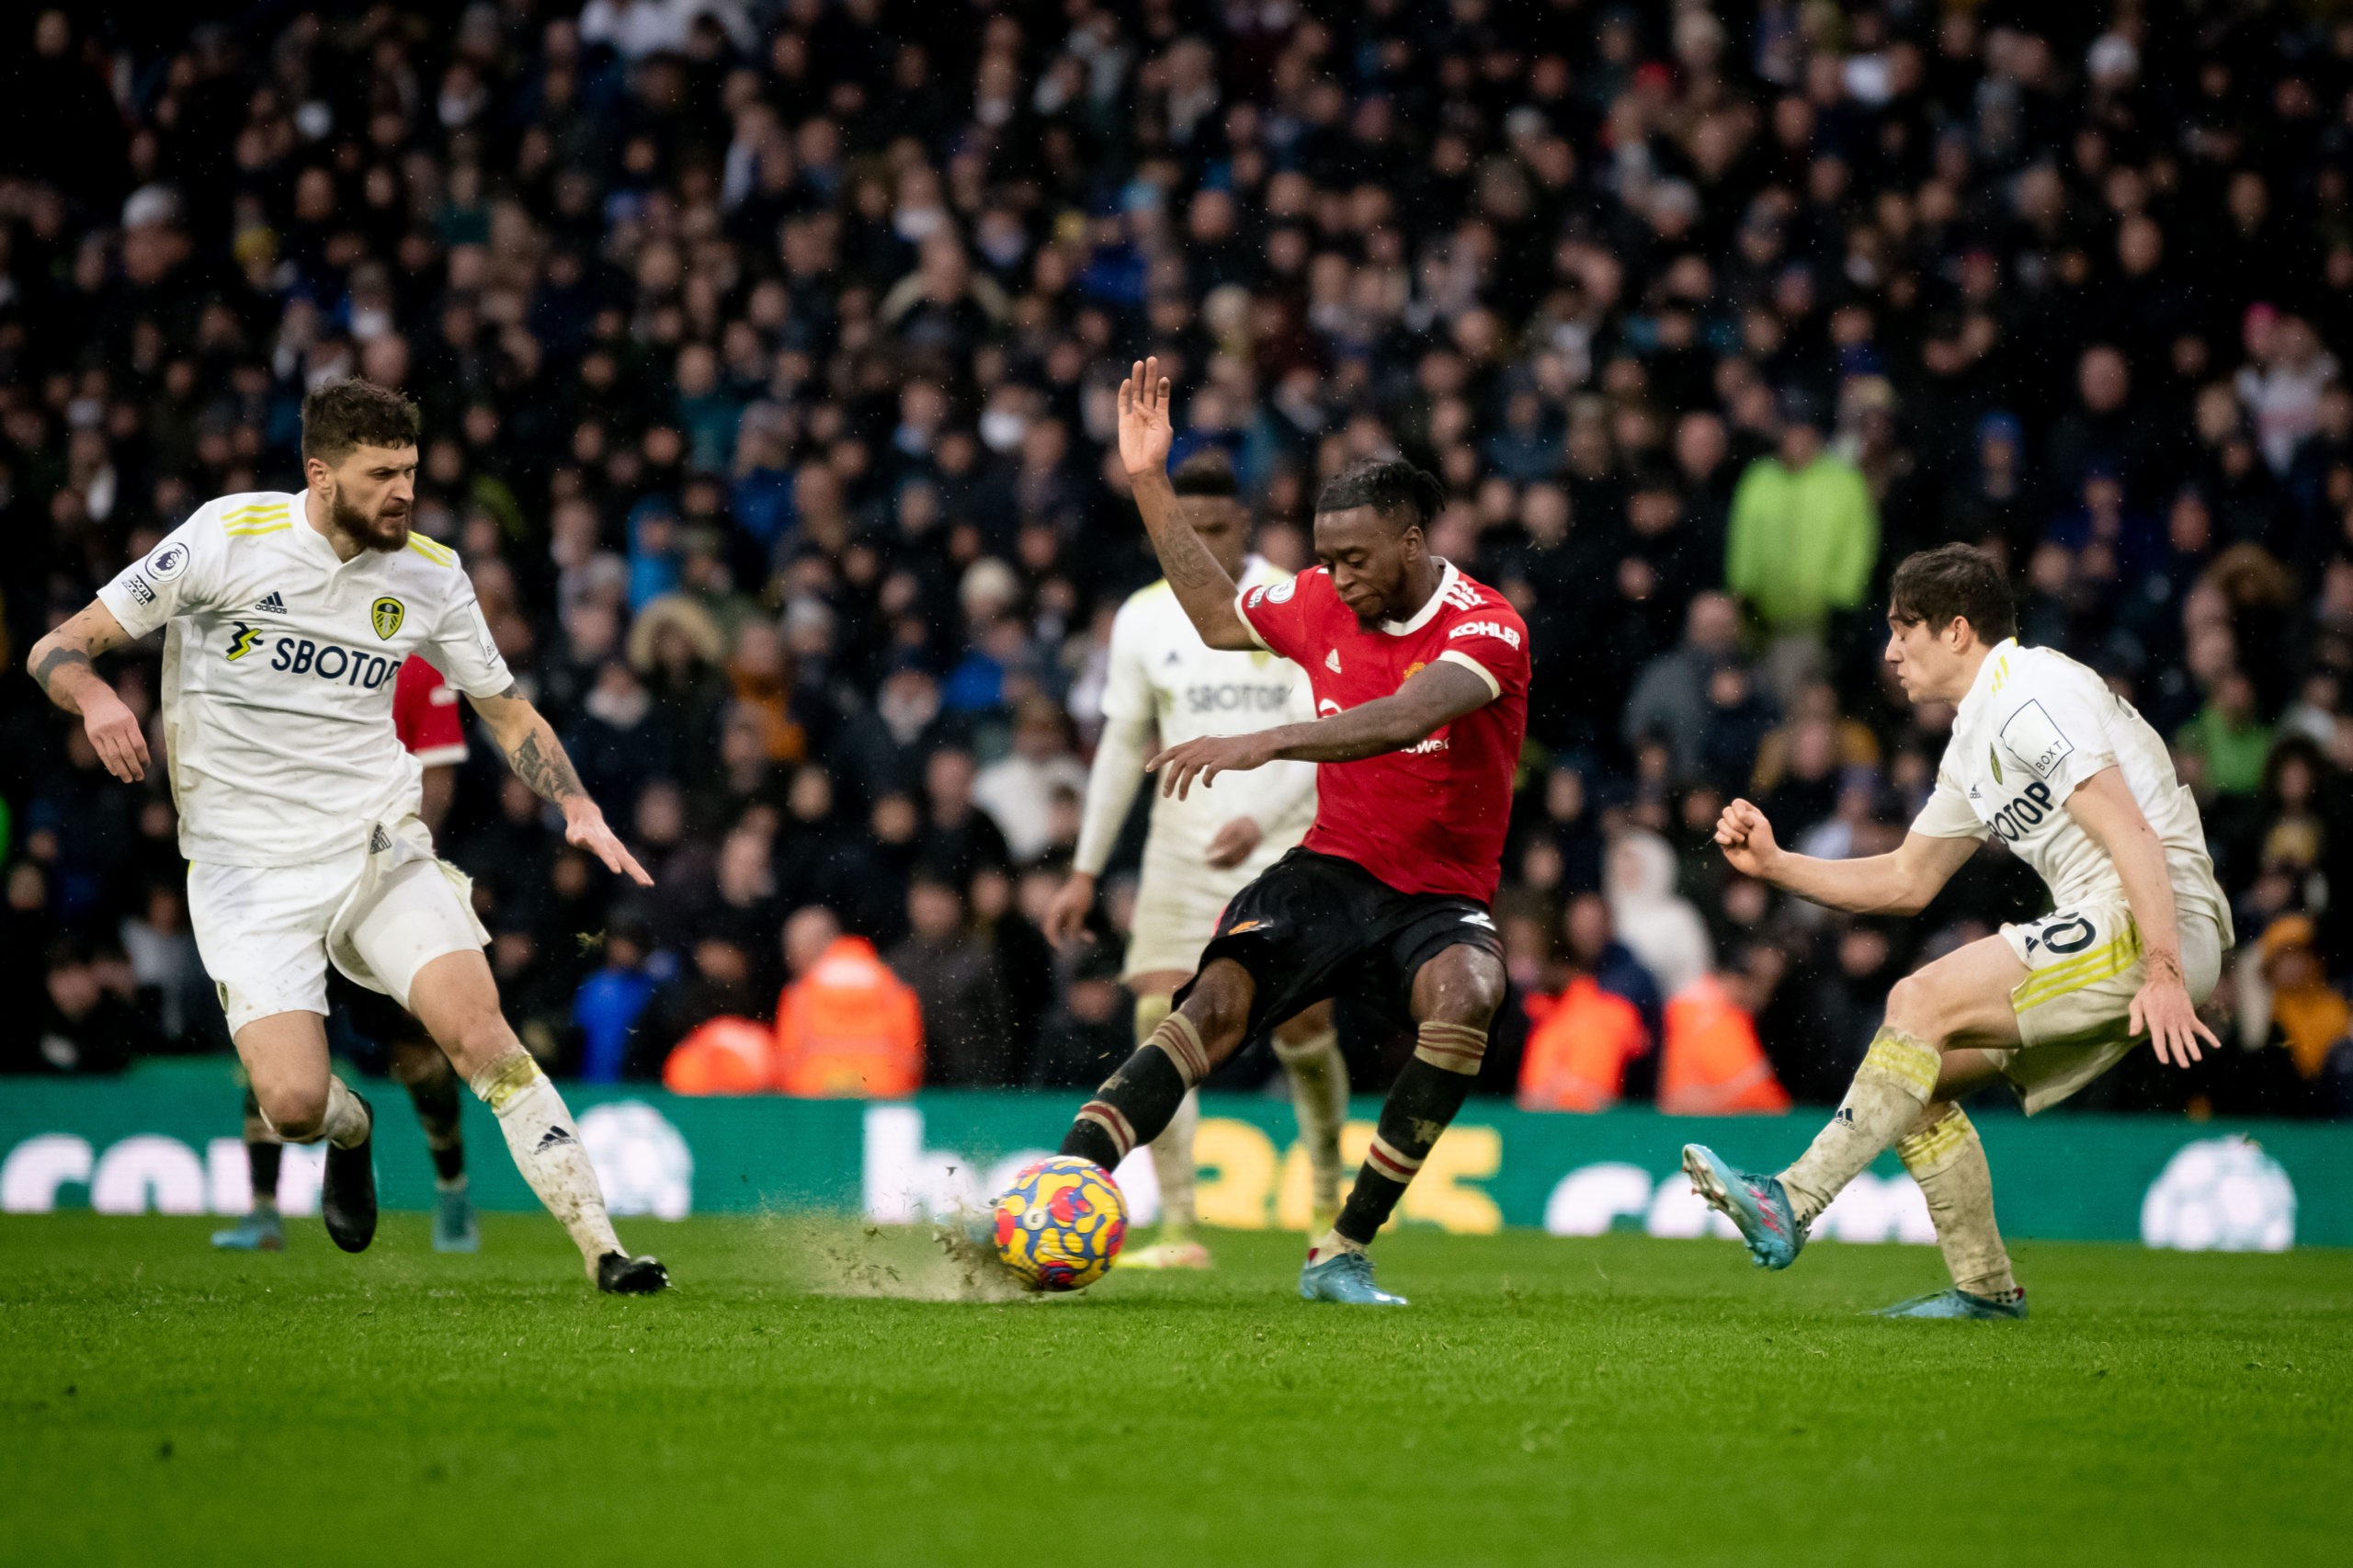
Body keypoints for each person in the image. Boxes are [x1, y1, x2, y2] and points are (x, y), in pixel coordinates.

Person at [27, 378, 670, 1293]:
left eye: (409, 471)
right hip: (243, 870)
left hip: (374, 843)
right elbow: (57, 644)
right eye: (381, 476)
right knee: (291, 1104)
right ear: (320, 474)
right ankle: (354, 1128)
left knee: (480, 1031)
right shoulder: (225, 537)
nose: (403, 493)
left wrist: (578, 804)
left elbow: (508, 711)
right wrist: (94, 696)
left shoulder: (430, 571)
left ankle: (607, 1251)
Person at [1045, 359, 1529, 1307]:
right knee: (1211, 1004)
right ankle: (1064, 1176)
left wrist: (1266, 737)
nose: (1336, 578)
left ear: (1413, 540)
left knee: (1470, 991)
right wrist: (1147, 479)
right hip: (1329, 870)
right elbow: (1222, 614)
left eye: (1356, 559)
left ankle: (1340, 1246)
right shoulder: (1317, 600)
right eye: (1326, 557)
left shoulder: (1487, 628)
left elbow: (1400, 714)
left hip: (1436, 894)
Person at [1685, 544, 2234, 1318]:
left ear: (1957, 631)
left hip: (2147, 913)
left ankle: (1792, 1199)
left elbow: (2132, 831)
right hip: (2122, 919)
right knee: (1915, 1080)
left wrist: (2166, 971)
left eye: (1902, 629)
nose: (1889, 651)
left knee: (1918, 998)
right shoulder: (1978, 735)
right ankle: (1984, 1288)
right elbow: (1907, 880)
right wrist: (1777, 866)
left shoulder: (2026, 695)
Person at [1041, 450, 1349, 1270]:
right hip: (1179, 848)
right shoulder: (1142, 618)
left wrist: (1262, 816)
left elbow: (1325, 735)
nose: (1205, 544)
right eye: (1190, 529)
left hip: (1285, 840)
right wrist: (1084, 869)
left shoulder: (1295, 602)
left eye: (1218, 528)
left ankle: (1327, 1196)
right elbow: (1119, 747)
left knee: (1303, 1022)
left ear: (1244, 524)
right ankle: (1179, 1227)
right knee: (1156, 1015)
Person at [212, 653, 483, 1254]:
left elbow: (437, 781)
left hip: (375, 890)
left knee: (415, 1051)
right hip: (297, 885)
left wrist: (398, 864)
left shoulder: (416, 668)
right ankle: (263, 1211)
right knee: (274, 1023)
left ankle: (453, 1189)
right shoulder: (296, 655)